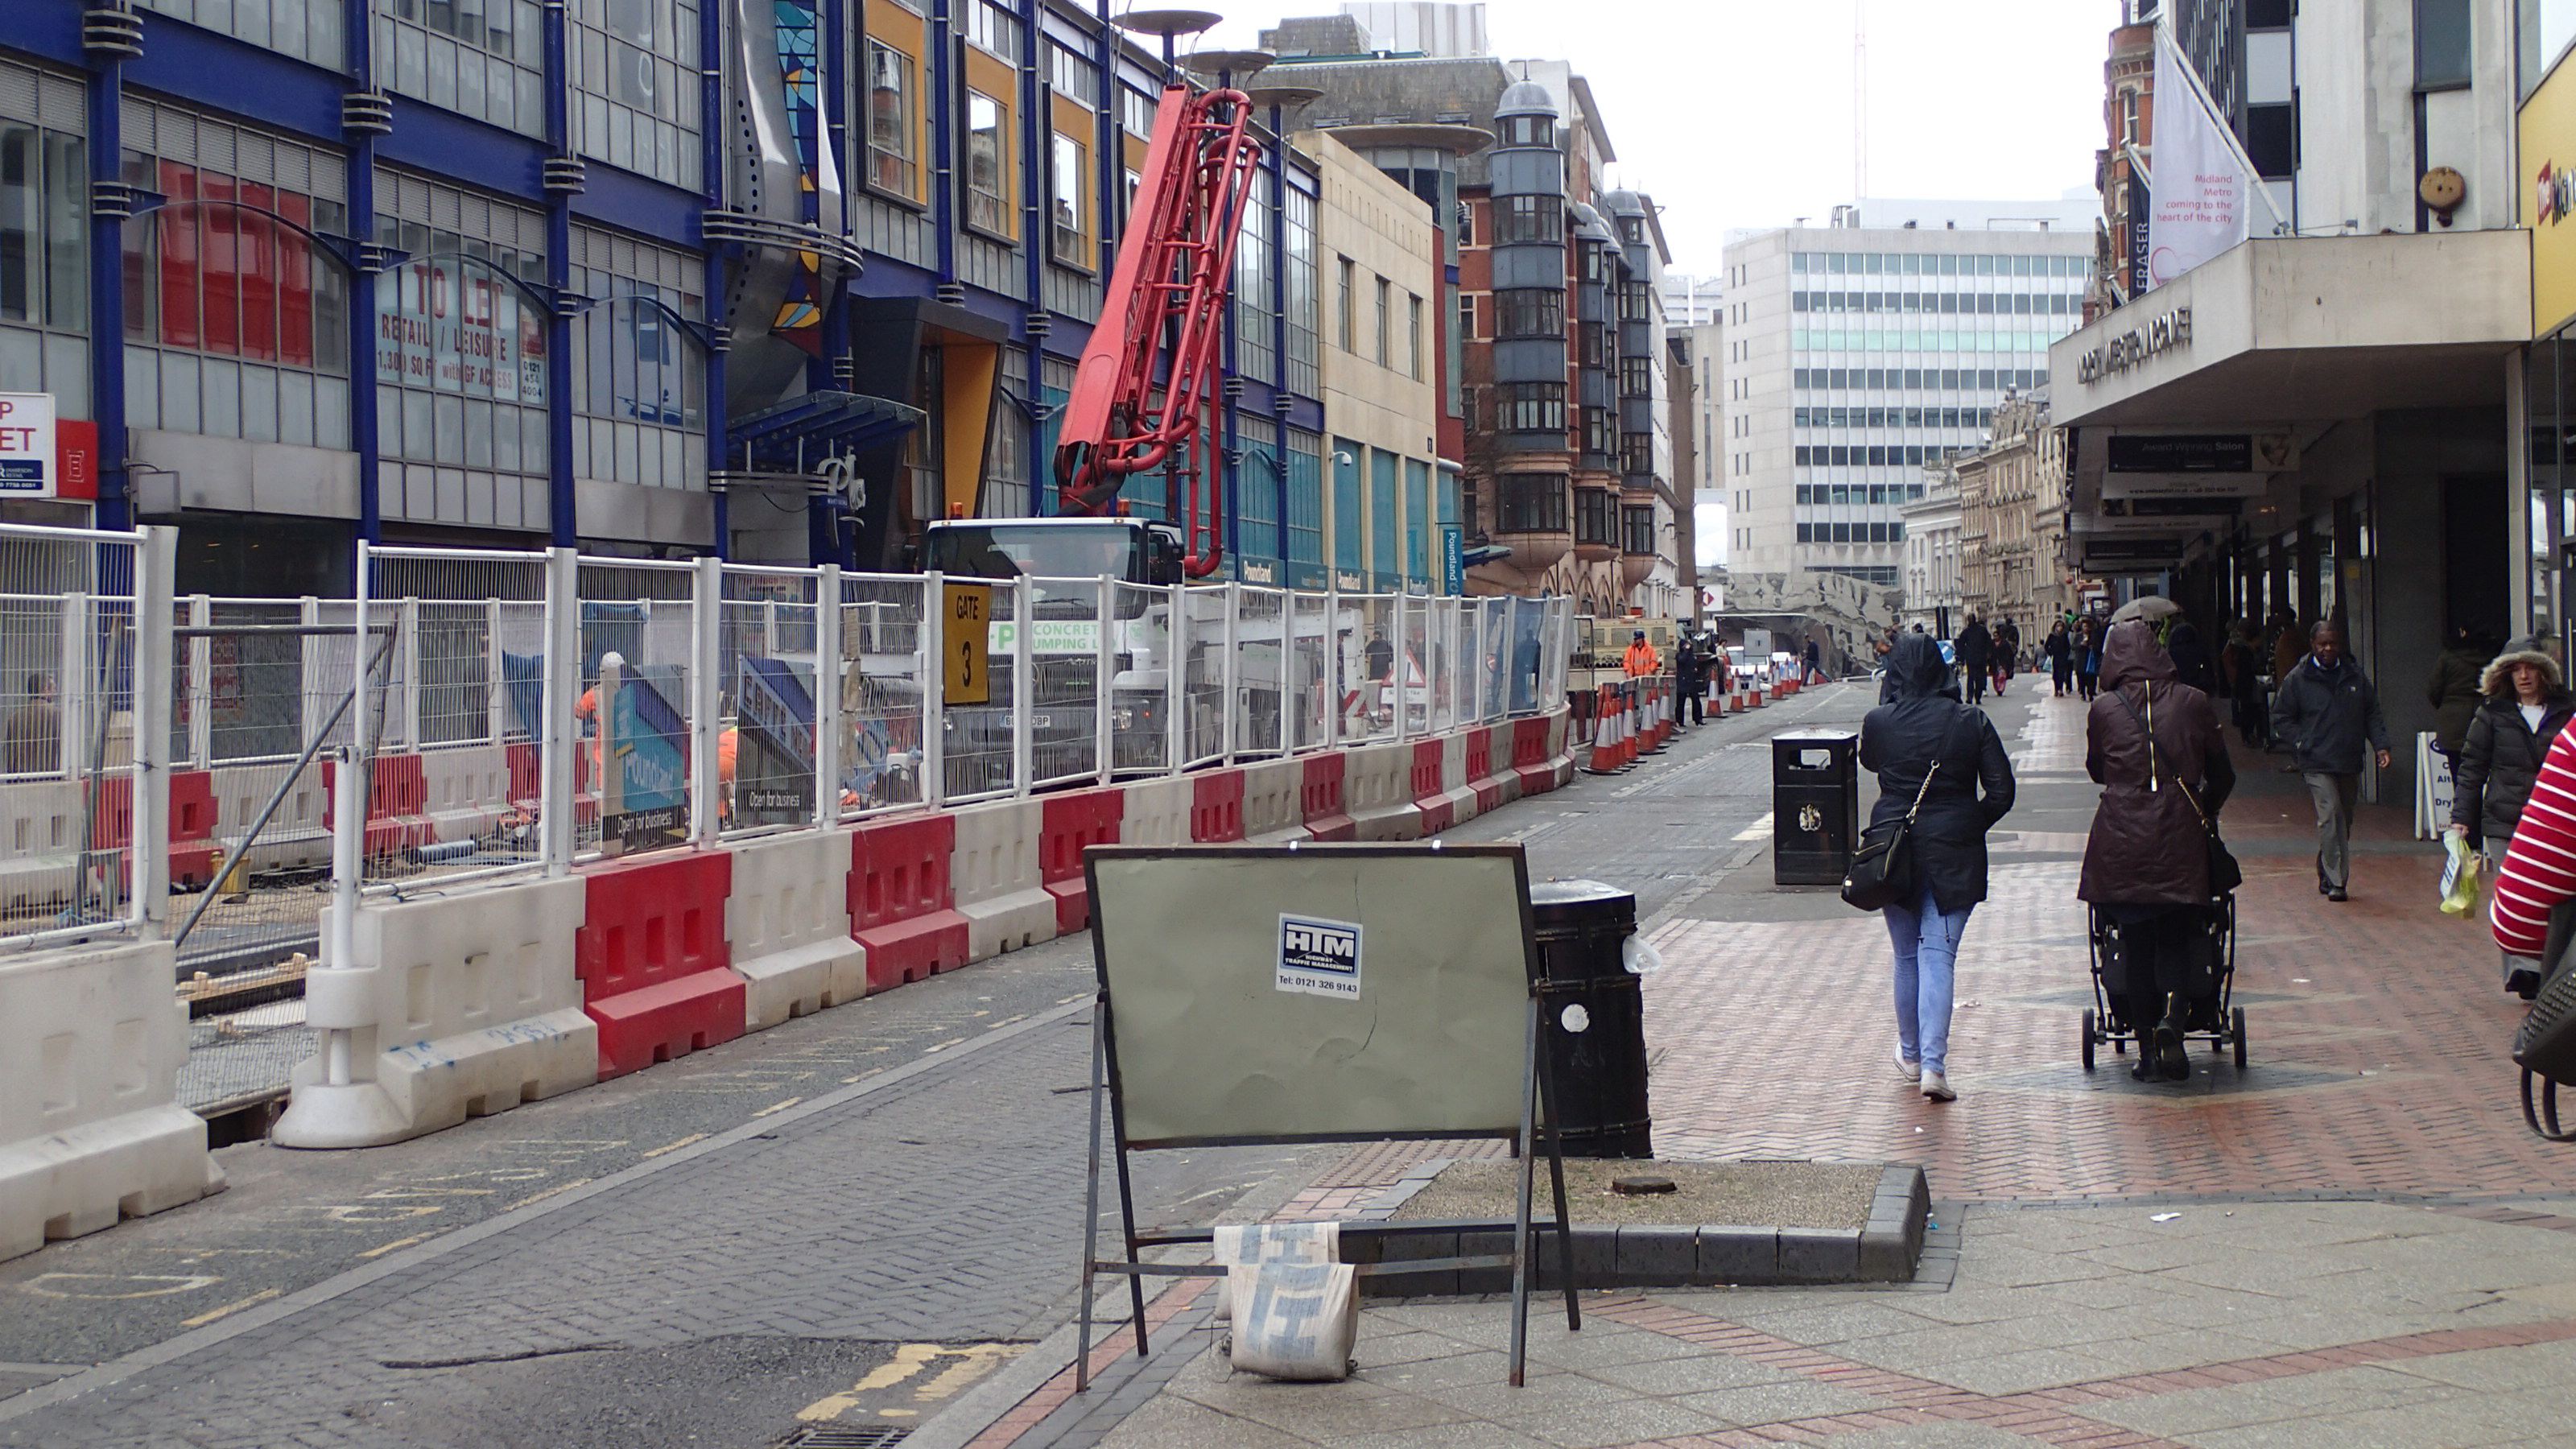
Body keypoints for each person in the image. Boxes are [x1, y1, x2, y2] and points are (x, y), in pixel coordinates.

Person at [2080, 621, 2236, 1082]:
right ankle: (2176, 1022)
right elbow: (2223, 773)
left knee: (2136, 943)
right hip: (2179, 836)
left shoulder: (2104, 709)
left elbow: (2096, 770)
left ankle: (2146, 1051)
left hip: (2122, 840)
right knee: (2176, 937)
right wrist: (2201, 809)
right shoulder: (2193, 701)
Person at [1862, 634, 2015, 1102]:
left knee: (1906, 957)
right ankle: (1934, 1067)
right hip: (1955, 853)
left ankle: (1909, 1055)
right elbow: (2002, 792)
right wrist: (1969, 823)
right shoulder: (1972, 721)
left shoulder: (1880, 722)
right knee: (1938, 958)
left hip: (1894, 852)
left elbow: (1870, 760)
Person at [2448, 636, 2574, 997]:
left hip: (2553, 823)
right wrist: (2461, 818)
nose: (2523, 676)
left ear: (2543, 673)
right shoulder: (2492, 714)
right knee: (2515, 891)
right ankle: (2522, 970)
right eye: (2515, 669)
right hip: (2504, 820)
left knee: (2556, 901)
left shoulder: (2567, 711)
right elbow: (2472, 769)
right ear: (2504, 675)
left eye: (2530, 668)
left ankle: (2551, 967)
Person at [2270, 621, 2392, 902]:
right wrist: (2302, 741)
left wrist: (2381, 746)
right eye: (2322, 643)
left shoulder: (2355, 677)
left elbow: (2371, 712)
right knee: (2331, 814)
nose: (2328, 649)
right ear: (2312, 644)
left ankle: (2327, 868)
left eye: (2333, 643)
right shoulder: (2298, 679)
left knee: (2344, 821)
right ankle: (2338, 881)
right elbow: (2281, 717)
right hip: (2316, 761)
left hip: (2348, 759)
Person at [2426, 625, 2500, 760]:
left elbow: (2433, 689)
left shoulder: (2448, 657)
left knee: (2457, 770)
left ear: (2463, 632)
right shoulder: (2493, 657)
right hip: (2485, 716)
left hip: (2452, 720)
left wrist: (2446, 706)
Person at [1, 673, 58, 775]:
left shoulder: (15, 717)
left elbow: (9, 751)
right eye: (53, 689)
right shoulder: (58, 715)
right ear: (45, 690)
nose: (55, 692)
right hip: (51, 774)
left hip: (21, 776)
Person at [1955, 614, 1993, 706]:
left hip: (1973, 657)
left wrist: (1961, 658)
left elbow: (1960, 646)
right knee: (1977, 678)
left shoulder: (1967, 632)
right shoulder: (1981, 630)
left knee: (1972, 678)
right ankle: (1976, 696)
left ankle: (1971, 696)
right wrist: (1988, 654)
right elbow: (1989, 643)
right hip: (1979, 657)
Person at [1675, 633, 1704, 728]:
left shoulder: (1691, 655)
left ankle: (1698, 718)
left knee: (1696, 699)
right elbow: (1682, 660)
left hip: (1691, 680)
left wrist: (1695, 669)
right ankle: (1680, 721)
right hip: (1682, 680)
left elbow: (1695, 664)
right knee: (1681, 701)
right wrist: (1686, 650)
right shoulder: (1680, 655)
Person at [2075, 613, 2104, 701]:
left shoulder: (2094, 635)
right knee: (2082, 678)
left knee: (2091, 678)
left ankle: (2090, 693)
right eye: (2084, 626)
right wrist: (2081, 645)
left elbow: (2098, 646)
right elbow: (2073, 646)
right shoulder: (2079, 636)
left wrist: (2092, 646)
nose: (2086, 628)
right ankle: (2083, 693)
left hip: (2090, 659)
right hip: (2081, 660)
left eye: (2087, 626)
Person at [2044, 621, 2074, 698]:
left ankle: (2060, 689)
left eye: (2061, 626)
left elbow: (2068, 646)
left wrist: (2066, 655)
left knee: (2062, 673)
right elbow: (2047, 646)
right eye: (2058, 626)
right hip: (2055, 657)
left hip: (2063, 657)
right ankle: (2056, 689)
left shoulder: (2064, 636)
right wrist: (2051, 653)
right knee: (2056, 674)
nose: (2059, 628)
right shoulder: (2052, 636)